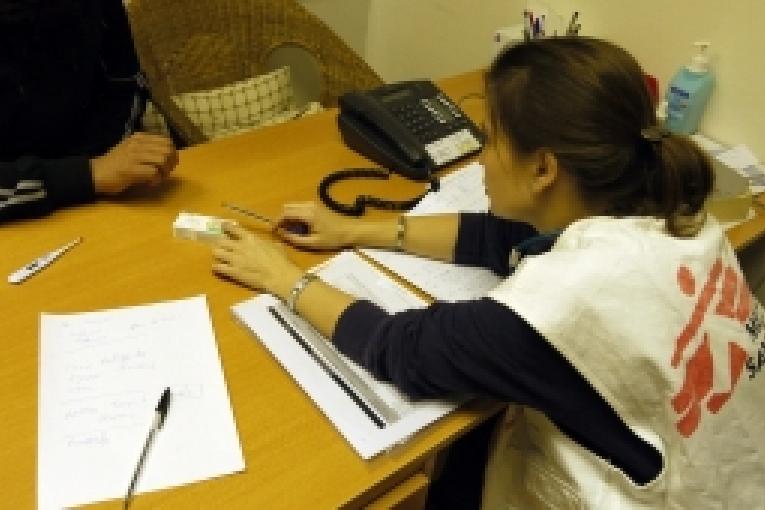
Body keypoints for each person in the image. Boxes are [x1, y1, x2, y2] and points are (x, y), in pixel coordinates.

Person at [212, 37, 765, 508]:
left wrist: (282, 277)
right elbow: (502, 238)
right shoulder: (672, 210)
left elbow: (401, 349)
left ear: (544, 168)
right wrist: (356, 230)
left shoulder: (561, 301)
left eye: (491, 139)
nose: (479, 159)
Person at [0, 0, 177, 222]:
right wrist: (86, 174)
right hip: (19, 216)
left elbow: (124, 82)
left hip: (103, 193)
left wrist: (113, 163)